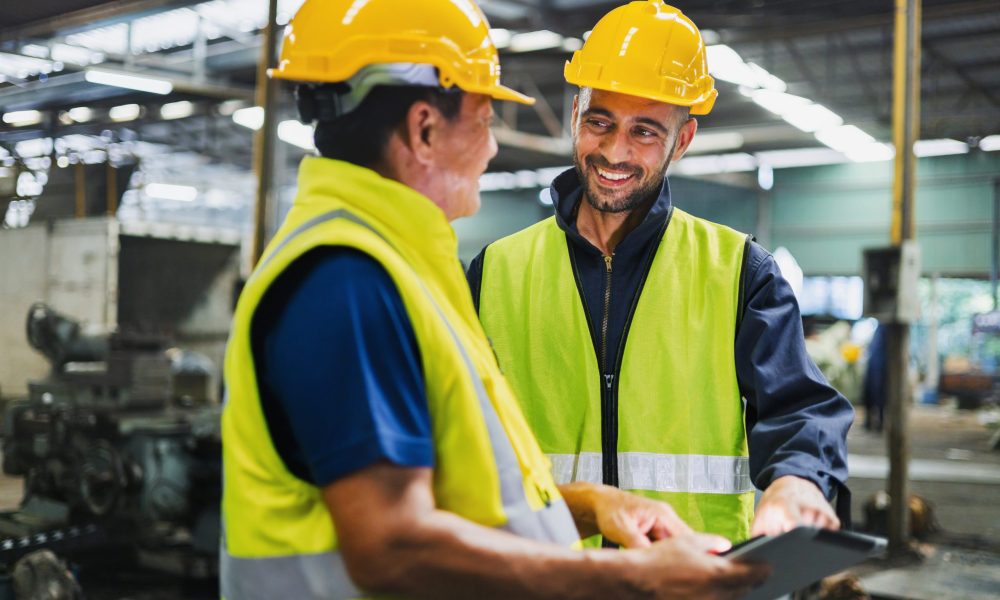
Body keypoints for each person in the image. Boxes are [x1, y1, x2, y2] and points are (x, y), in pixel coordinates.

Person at [220, 1, 768, 598]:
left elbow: (457, 495)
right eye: (484, 120)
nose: (488, 150)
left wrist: (588, 505)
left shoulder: (396, 270)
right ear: (424, 129)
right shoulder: (345, 282)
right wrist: (628, 577)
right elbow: (392, 546)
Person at [467, 0, 854, 545]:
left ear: (683, 140)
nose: (614, 150)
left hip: (691, 575)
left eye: (645, 131)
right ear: (576, 113)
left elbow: (799, 405)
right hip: (543, 578)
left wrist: (798, 479)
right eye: (599, 120)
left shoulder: (740, 272)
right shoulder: (494, 273)